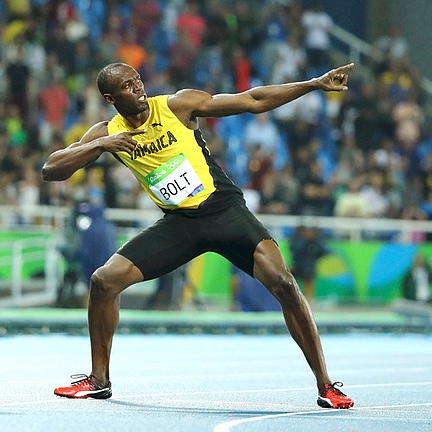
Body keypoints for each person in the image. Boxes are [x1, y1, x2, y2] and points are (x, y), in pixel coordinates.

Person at [41, 61, 355, 409]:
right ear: (109, 97)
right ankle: (98, 380)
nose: (140, 89)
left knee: (283, 282)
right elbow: (51, 170)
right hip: (179, 224)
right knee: (103, 281)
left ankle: (326, 385)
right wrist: (102, 145)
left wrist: (313, 83)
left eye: (139, 81)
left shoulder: (177, 105)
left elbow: (253, 100)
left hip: (224, 211)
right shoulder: (107, 131)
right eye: (129, 87)